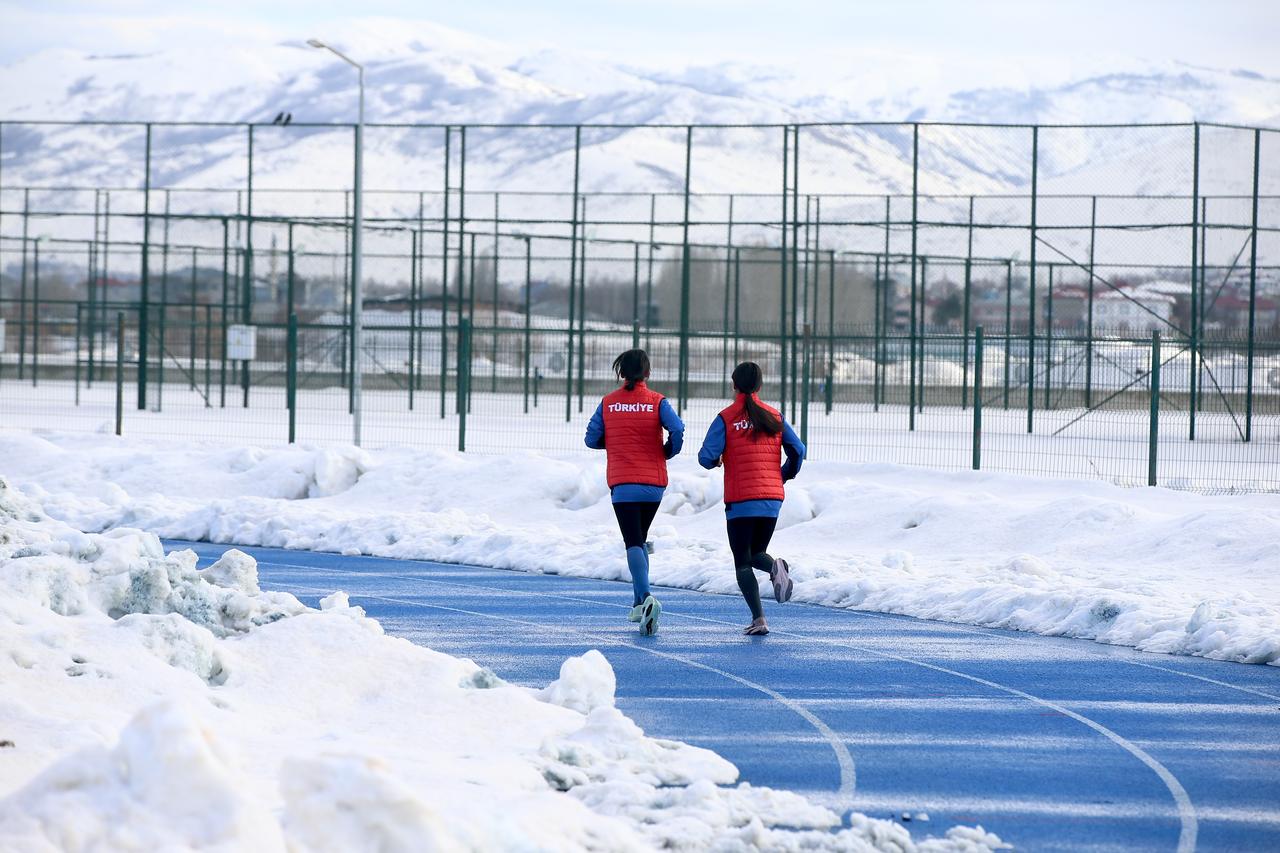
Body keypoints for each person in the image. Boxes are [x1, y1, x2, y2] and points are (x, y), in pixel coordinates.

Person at [698, 362, 805, 635]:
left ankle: (759, 620)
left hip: (741, 499)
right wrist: (783, 475)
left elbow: (705, 456)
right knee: (756, 552)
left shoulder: (726, 417)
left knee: (742, 561)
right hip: (771, 498)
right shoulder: (774, 416)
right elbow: (798, 449)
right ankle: (774, 567)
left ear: (734, 385)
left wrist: (716, 461)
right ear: (759, 386)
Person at [585, 349, 684, 635]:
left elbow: (591, 438)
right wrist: (667, 451)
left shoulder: (608, 403)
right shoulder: (657, 402)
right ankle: (639, 603)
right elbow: (677, 429)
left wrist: (615, 441)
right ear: (647, 373)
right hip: (654, 484)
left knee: (632, 541)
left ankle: (646, 598)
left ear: (621, 373)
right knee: (639, 540)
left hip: (624, 483)